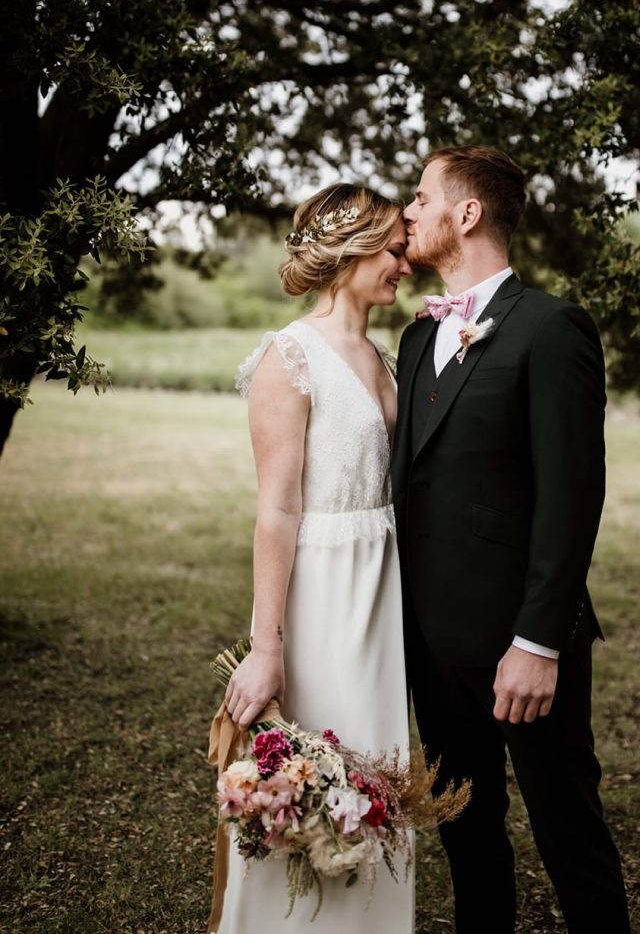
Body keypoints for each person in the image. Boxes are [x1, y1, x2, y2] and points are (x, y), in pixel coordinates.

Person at [392, 145, 631, 934]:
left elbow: (572, 496)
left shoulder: (552, 326)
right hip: (432, 643)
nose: (409, 213)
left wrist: (537, 639)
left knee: (568, 829)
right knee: (466, 830)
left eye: (422, 197)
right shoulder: (416, 340)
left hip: (518, 644)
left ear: (468, 213)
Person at [214, 184, 415, 934]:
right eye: (394, 247)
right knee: (314, 784)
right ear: (353, 249)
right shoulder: (289, 356)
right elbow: (277, 510)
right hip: (321, 596)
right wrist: (267, 647)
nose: (405, 261)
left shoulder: (389, 358)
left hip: (379, 592)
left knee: (377, 780)